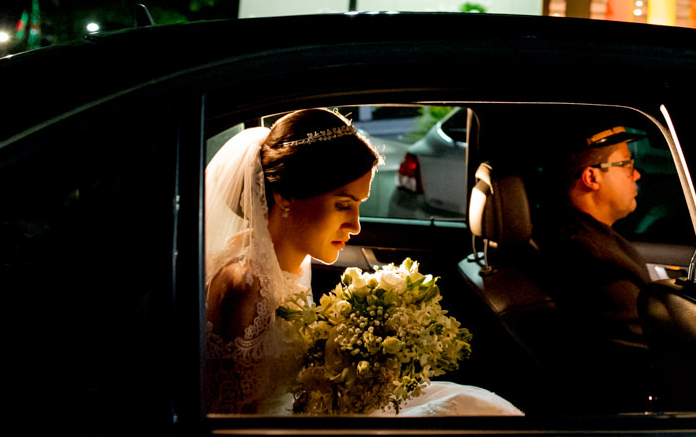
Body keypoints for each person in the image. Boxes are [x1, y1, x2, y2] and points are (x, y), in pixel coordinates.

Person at [204, 107, 521, 416]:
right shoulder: (243, 288)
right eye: (343, 205)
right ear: (285, 195)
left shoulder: (296, 263)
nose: (355, 226)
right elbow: (227, 421)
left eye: (359, 206)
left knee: (473, 404)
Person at [534, 124, 652, 412]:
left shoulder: (578, 235)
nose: (636, 174)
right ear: (591, 177)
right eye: (627, 165)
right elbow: (645, 353)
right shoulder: (591, 259)